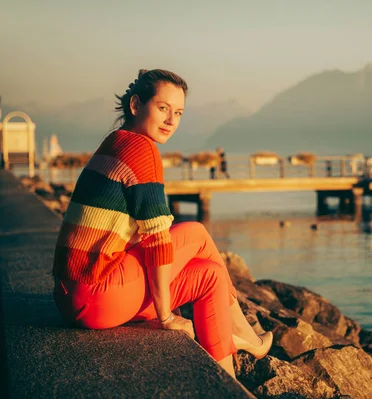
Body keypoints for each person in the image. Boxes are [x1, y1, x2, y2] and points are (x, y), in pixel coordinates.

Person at [52, 69, 272, 379]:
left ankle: (228, 380)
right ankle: (245, 334)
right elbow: (156, 240)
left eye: (178, 112)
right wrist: (167, 316)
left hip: (69, 297)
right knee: (195, 232)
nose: (171, 120)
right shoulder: (142, 150)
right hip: (97, 295)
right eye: (163, 108)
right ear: (135, 105)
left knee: (210, 275)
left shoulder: (114, 141)